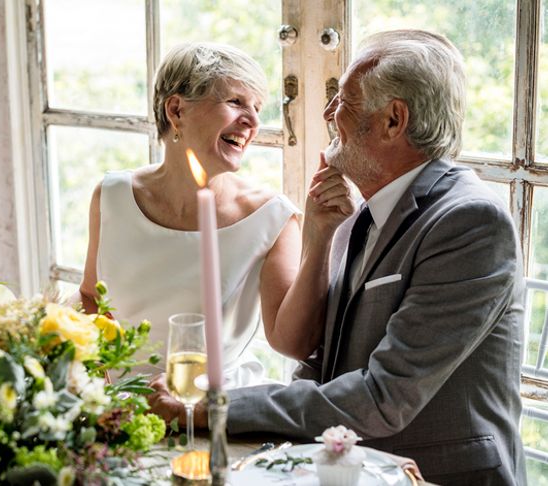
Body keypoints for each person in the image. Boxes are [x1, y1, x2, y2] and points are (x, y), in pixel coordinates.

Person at [149, 30, 527, 485]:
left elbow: (384, 396)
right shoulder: (357, 215)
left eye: (343, 100)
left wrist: (218, 407)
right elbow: (321, 364)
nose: (328, 114)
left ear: (393, 120)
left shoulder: (469, 223)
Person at [77, 42, 353, 387]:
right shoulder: (112, 196)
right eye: (235, 102)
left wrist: (320, 234)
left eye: (256, 107)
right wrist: (99, 375)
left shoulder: (271, 216)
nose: (252, 121)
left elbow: (292, 343)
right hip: (120, 405)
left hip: (217, 408)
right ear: (176, 110)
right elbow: (90, 297)